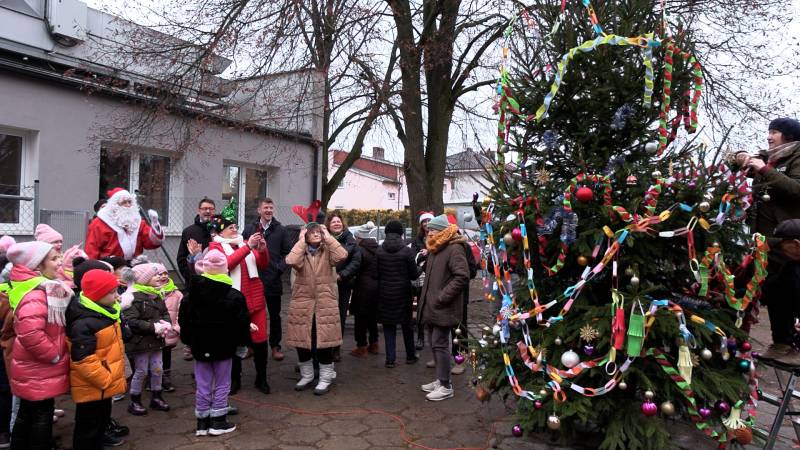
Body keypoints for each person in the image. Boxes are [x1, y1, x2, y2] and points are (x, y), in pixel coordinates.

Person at [733, 118, 800, 362]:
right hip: (761, 240)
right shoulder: (769, 155)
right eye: (769, 131)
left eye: (775, 132)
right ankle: (734, 341)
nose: (769, 137)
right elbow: (741, 160)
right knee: (747, 288)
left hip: (788, 240)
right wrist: (740, 156)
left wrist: (764, 170)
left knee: (781, 291)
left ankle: (784, 344)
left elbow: (796, 190)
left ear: (789, 137)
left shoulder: (794, 157)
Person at [5, 241, 72, 449]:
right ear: (36, 267)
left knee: (28, 413)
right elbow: (31, 333)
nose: (59, 262)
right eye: (53, 259)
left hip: (33, 368)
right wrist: (53, 355)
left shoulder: (42, 288)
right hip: (38, 367)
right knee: (41, 416)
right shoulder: (36, 294)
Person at [180, 250, 251, 437]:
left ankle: (202, 422)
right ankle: (218, 421)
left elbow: (184, 322)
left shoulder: (190, 296)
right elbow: (242, 323)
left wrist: (188, 342)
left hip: (200, 347)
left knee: (203, 383)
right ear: (225, 270)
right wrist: (242, 344)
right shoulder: (234, 296)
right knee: (222, 382)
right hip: (224, 348)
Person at [207, 213, 270, 395]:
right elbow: (226, 265)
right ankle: (235, 379)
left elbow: (262, 264)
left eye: (235, 226)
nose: (235, 229)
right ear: (220, 232)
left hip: (255, 299)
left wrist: (263, 250)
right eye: (230, 227)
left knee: (260, 341)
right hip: (232, 303)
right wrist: (248, 247)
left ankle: (261, 378)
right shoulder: (215, 247)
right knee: (234, 342)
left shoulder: (243, 244)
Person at [70, 258, 130, 446]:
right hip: (94, 384)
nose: (117, 296)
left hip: (104, 385)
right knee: (88, 427)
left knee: (100, 420)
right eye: (112, 292)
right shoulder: (84, 322)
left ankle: (102, 436)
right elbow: (82, 359)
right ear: (97, 295)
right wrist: (105, 378)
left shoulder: (106, 312)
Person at [285, 222, 348, 395]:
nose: (316, 234)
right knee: (303, 340)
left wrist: (328, 237)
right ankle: (307, 375)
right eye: (311, 232)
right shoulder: (301, 251)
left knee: (323, 341)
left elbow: (343, 255)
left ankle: (325, 378)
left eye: (318, 231)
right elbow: (290, 260)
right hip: (302, 302)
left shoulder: (328, 250)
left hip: (324, 302)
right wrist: (301, 241)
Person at [417, 215, 469, 402]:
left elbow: (462, 276)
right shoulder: (436, 247)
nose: (429, 232)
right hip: (432, 306)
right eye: (428, 229)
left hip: (443, 306)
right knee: (435, 343)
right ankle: (440, 379)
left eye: (433, 229)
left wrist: (442, 297)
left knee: (440, 344)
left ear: (443, 230)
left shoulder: (454, 248)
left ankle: (446, 386)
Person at [243, 198, 292, 362]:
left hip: (273, 279)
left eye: (271, 207)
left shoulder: (281, 230)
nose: (269, 210)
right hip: (252, 278)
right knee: (250, 313)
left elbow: (288, 254)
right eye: (266, 207)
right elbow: (242, 249)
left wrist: (279, 269)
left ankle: (275, 346)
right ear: (259, 210)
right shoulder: (250, 228)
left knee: (275, 315)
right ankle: (249, 345)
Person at [122, 262, 172, 415]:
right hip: (141, 343)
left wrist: (166, 324)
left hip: (156, 341)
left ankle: (157, 397)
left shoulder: (156, 294)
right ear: (144, 279)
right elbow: (132, 321)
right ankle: (135, 400)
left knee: (158, 370)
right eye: (154, 275)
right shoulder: (132, 298)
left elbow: (165, 313)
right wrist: (154, 327)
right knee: (141, 371)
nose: (159, 277)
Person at [376, 221, 420, 367]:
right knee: (407, 326)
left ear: (386, 233)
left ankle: (390, 359)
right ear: (401, 233)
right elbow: (414, 275)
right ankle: (410, 356)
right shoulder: (407, 252)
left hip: (384, 293)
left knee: (389, 326)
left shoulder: (379, 251)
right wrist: (421, 267)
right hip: (403, 294)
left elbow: (376, 274)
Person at [85, 188, 164, 261]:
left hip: (135, 264)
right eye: (124, 202)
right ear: (114, 205)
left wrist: (155, 225)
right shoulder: (99, 223)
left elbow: (151, 243)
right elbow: (91, 250)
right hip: (109, 266)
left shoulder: (137, 222)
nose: (128, 205)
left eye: (129, 202)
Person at [325, 214, 361, 362]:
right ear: (329, 225)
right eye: (333, 222)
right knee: (326, 316)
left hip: (343, 284)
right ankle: (325, 347)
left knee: (339, 317)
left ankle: (336, 349)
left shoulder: (350, 240)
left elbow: (356, 261)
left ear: (343, 224)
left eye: (338, 221)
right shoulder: (323, 238)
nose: (336, 224)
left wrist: (342, 275)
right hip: (325, 284)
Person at [349, 222, 380, 357]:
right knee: (372, 318)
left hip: (362, 288)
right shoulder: (378, 248)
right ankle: (374, 344)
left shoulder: (359, 250)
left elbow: (355, 268)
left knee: (360, 319)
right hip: (376, 287)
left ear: (359, 238)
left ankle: (361, 346)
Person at [176, 198, 216, 287]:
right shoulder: (189, 231)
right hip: (195, 282)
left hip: (218, 280)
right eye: (204, 208)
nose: (208, 211)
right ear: (199, 211)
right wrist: (191, 278)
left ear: (214, 211)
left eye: (211, 209)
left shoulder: (220, 230)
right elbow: (181, 259)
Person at [411, 212, 434, 350]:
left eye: (428, 221)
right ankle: (420, 337)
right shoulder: (417, 239)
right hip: (422, 278)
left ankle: (433, 338)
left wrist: (429, 251)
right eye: (424, 221)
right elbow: (414, 257)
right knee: (420, 307)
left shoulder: (439, 237)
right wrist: (422, 254)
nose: (426, 224)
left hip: (435, 277)